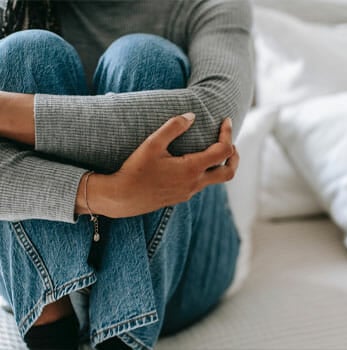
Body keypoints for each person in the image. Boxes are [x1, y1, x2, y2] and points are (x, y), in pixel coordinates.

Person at [0, 0, 254, 349]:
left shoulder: (208, 4)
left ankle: (122, 339)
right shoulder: (13, 7)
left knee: (145, 59)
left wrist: (4, 111)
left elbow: (211, 124)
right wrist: (105, 193)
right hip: (39, 275)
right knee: (23, 52)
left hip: (180, 273)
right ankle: (50, 333)